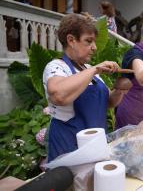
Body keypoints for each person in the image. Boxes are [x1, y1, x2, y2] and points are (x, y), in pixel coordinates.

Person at [43, 14, 130, 162]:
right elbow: (58, 95)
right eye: (88, 41)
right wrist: (95, 69)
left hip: (95, 143)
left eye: (94, 42)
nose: (94, 48)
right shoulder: (56, 67)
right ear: (71, 40)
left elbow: (108, 102)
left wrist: (119, 90)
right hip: (68, 145)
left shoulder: (89, 69)